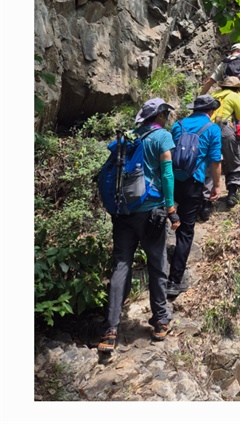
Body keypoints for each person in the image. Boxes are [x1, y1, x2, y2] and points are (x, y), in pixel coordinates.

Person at [98, 98, 181, 352]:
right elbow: (167, 173)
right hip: (150, 213)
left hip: (123, 213)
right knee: (157, 265)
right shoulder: (162, 137)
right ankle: (159, 320)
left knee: (121, 266)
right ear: (160, 115)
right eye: (166, 113)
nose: (167, 117)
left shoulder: (130, 137)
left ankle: (110, 330)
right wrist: (171, 208)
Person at [167, 94, 224, 300]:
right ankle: (174, 281)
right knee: (185, 231)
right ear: (210, 111)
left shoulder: (178, 125)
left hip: (172, 181)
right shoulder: (212, 129)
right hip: (194, 183)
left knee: (169, 216)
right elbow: (215, 161)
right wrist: (216, 186)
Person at [210, 77, 240, 209]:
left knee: (211, 161)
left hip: (209, 129)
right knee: (232, 159)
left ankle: (206, 200)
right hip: (225, 129)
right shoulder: (234, 95)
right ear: (237, 88)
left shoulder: (214, 95)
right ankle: (232, 193)